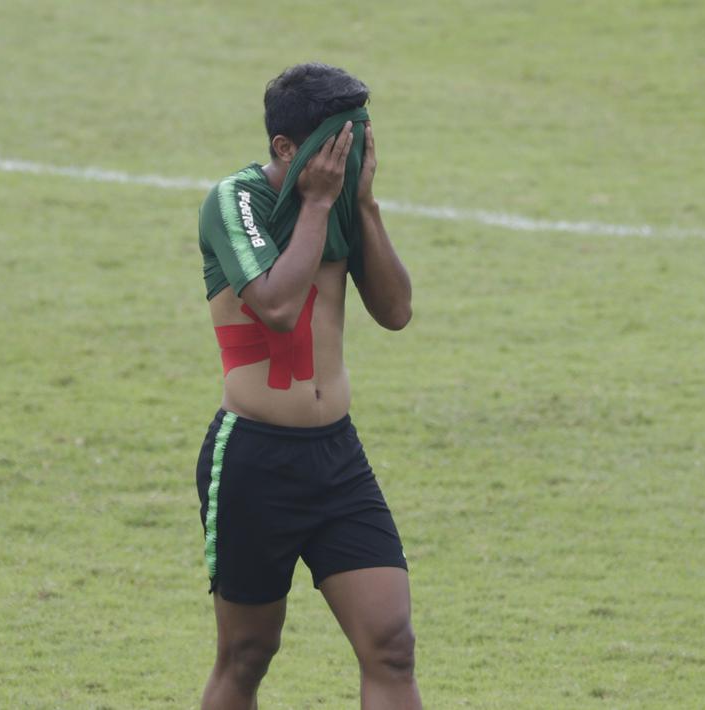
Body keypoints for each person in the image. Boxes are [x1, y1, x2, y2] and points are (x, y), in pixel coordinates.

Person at [193, 62, 420, 709]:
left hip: (336, 458)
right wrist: (318, 204)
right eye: (334, 147)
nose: (343, 161)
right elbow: (276, 306)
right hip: (253, 457)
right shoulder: (236, 200)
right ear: (285, 149)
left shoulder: (346, 201)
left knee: (392, 645)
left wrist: (365, 203)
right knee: (246, 654)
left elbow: (396, 312)